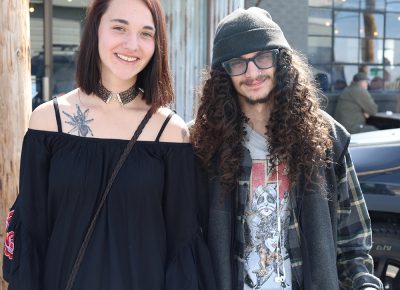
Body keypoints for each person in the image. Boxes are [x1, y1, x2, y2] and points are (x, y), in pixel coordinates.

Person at [2, 0, 216, 289]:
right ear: (95, 30)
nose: (132, 44)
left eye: (146, 33)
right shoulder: (48, 122)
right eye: (119, 28)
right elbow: (32, 231)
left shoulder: (170, 132)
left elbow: (182, 243)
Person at [190, 7, 382, 290]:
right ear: (224, 74)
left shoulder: (325, 136)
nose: (252, 72)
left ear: (281, 61)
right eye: (237, 63)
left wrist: (365, 284)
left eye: (262, 57)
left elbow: (353, 240)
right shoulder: (202, 142)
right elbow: (186, 241)